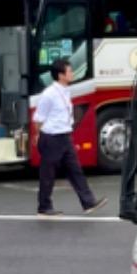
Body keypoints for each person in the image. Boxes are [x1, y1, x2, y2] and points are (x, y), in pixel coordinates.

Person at [35, 57, 105, 217]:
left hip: (65, 137)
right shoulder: (49, 94)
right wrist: (38, 135)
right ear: (60, 75)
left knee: (76, 170)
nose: (72, 73)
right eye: (69, 71)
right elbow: (39, 118)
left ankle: (88, 202)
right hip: (52, 137)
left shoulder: (65, 91)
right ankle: (44, 207)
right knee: (48, 174)